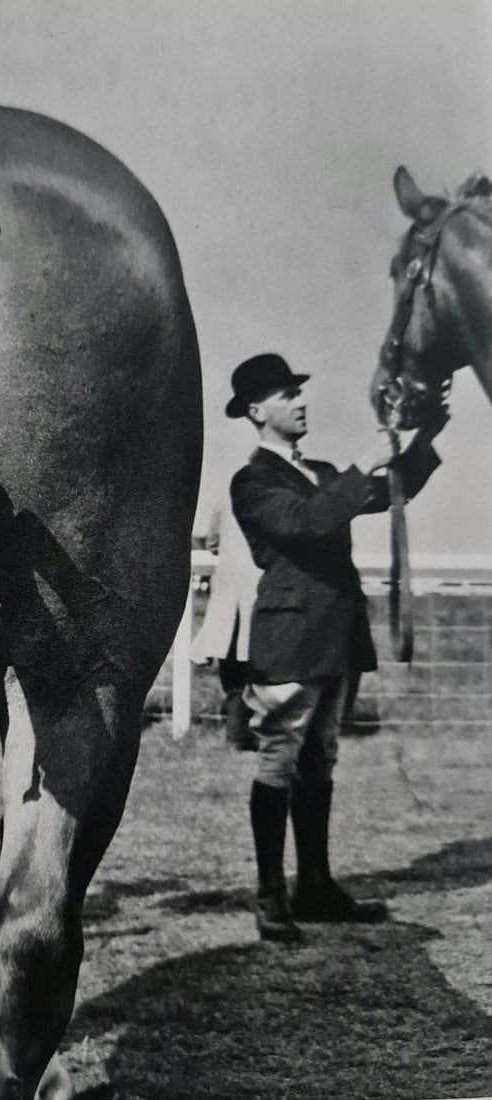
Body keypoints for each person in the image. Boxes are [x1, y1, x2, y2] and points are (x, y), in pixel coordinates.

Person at [227, 353, 444, 942]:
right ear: (256, 411)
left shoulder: (319, 470)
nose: (300, 400)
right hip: (290, 640)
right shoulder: (252, 481)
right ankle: (272, 895)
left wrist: (424, 433)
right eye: (285, 394)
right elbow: (310, 523)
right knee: (280, 759)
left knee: (319, 760)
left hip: (333, 641)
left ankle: (315, 885)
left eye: (299, 390)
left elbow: (392, 491)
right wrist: (363, 462)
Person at [191, 492, 262, 749]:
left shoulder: (226, 497)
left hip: (230, 588)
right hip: (260, 591)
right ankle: (247, 732)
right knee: (254, 667)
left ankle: (238, 734)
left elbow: (212, 543)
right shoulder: (281, 492)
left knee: (233, 668)